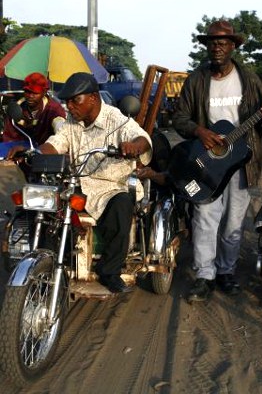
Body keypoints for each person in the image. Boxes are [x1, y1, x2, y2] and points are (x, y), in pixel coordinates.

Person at [8, 72, 153, 293]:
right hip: (78, 184)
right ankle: (49, 261)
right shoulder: (70, 123)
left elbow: (142, 139)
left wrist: (134, 146)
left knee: (121, 206)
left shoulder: (116, 120)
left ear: (93, 97)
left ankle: (110, 271)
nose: (70, 106)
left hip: (112, 186)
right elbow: (55, 143)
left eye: (75, 100)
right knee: (47, 207)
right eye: (67, 101)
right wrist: (33, 152)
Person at [173, 20, 262, 302]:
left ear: (233, 46)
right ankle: (204, 275)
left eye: (222, 43)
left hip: (241, 162)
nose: (217, 48)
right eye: (212, 43)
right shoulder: (196, 80)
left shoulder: (250, 80)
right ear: (206, 47)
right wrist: (199, 131)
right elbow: (179, 117)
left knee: (234, 221)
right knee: (204, 217)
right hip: (209, 161)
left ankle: (226, 271)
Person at [2, 72, 66, 144]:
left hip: (45, 149)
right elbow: (8, 137)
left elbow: (61, 130)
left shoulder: (53, 109)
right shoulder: (16, 108)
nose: (30, 96)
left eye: (35, 93)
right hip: (16, 148)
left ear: (44, 92)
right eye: (27, 92)